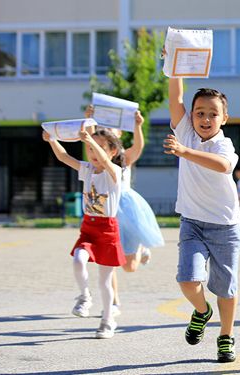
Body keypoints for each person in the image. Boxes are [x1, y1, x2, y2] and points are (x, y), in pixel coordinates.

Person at [162, 63, 240, 363]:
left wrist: (183, 152)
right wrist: (174, 65)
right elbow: (175, 97)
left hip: (225, 225)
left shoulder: (225, 145)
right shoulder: (185, 132)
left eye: (212, 113)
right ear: (191, 115)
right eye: (199, 113)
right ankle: (201, 311)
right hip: (192, 222)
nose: (205, 118)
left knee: (226, 288)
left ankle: (226, 337)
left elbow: (221, 166)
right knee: (187, 280)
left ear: (224, 118)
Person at [43, 123, 126, 339]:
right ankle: (84, 296)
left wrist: (89, 139)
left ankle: (108, 321)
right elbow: (63, 157)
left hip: (108, 229)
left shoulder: (115, 172)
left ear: (113, 151)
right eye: (90, 148)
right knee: (78, 259)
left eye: (99, 147)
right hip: (89, 227)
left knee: (105, 281)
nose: (93, 153)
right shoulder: (87, 169)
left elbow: (106, 162)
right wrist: (52, 139)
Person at [85, 105, 165, 317]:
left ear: (118, 137)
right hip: (104, 212)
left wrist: (138, 126)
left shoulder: (123, 159)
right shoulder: (93, 161)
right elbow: (88, 141)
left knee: (129, 267)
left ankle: (140, 249)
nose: (107, 131)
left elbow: (138, 147)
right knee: (106, 259)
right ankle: (113, 303)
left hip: (126, 210)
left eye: (113, 129)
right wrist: (88, 119)